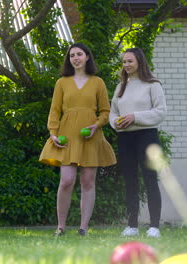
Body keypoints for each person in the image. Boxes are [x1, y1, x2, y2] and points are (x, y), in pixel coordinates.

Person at [39, 43, 116, 236]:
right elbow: (55, 110)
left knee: (88, 181)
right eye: (72, 55)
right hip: (67, 135)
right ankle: (61, 226)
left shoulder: (98, 82)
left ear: (87, 57)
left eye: (79, 54)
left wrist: (96, 125)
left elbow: (106, 111)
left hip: (90, 135)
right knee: (66, 180)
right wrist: (53, 132)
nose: (75, 58)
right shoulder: (62, 83)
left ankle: (83, 227)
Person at [109, 47, 167, 238]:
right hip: (126, 138)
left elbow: (160, 112)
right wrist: (116, 123)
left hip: (147, 137)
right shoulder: (120, 87)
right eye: (124, 62)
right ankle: (132, 225)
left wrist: (135, 116)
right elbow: (113, 113)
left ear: (139, 62)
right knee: (130, 181)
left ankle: (154, 227)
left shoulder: (153, 84)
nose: (126, 65)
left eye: (130, 61)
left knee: (150, 179)